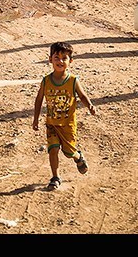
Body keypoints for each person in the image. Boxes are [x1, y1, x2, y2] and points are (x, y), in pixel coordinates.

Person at [32, 41, 97, 191]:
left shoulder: (73, 80)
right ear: (50, 59)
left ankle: (78, 157)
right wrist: (35, 119)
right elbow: (38, 99)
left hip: (68, 124)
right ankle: (55, 177)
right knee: (53, 149)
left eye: (64, 58)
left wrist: (90, 106)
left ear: (70, 61)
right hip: (52, 123)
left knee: (68, 152)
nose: (60, 61)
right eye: (56, 57)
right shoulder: (46, 80)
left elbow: (82, 95)